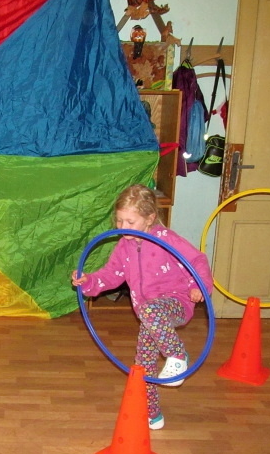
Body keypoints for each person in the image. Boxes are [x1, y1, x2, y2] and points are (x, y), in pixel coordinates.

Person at [71, 184, 213, 430]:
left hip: (176, 303)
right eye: (119, 220)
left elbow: (196, 260)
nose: (122, 227)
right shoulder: (124, 246)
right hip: (149, 314)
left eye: (130, 221)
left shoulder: (166, 240)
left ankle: (178, 355)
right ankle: (152, 413)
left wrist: (199, 286)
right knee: (143, 365)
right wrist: (89, 281)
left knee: (150, 310)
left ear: (149, 218)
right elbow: (111, 274)